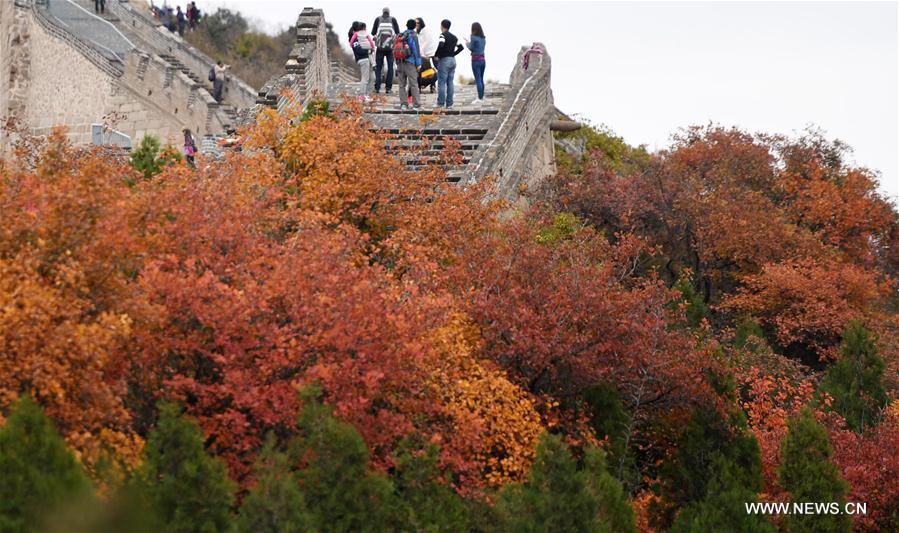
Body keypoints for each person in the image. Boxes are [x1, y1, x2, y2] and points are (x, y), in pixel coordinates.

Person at [434, 19, 464, 108]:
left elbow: (441, 44)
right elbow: (461, 47)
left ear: (442, 26)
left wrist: (437, 55)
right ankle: (450, 104)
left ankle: (440, 103)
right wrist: (452, 54)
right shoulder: (454, 37)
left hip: (444, 61)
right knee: (450, 82)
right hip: (453, 61)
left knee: (441, 82)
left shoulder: (442, 35)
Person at [372, 7, 400, 94]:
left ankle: (377, 87)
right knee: (391, 67)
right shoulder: (393, 19)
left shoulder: (378, 19)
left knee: (378, 67)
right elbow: (398, 32)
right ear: (389, 12)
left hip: (380, 47)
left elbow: (373, 32)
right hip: (390, 48)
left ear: (382, 12)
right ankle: (388, 88)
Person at [395, 19, 422, 110]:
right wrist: (418, 64)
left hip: (400, 62)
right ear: (415, 26)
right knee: (413, 84)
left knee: (402, 85)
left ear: (406, 25)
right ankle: (416, 105)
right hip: (410, 63)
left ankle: (403, 104)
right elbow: (416, 50)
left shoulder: (401, 35)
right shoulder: (413, 36)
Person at [350, 23, 376, 96]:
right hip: (364, 58)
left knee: (372, 77)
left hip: (369, 58)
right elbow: (371, 44)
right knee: (365, 78)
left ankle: (367, 94)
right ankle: (362, 95)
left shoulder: (358, 36)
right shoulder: (357, 36)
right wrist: (371, 49)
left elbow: (351, 43)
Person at [464, 23, 486, 104]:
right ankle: (482, 96)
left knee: (478, 79)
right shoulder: (483, 38)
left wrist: (467, 44)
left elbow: (471, 48)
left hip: (475, 61)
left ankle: (480, 98)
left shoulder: (473, 37)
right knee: (481, 78)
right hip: (483, 60)